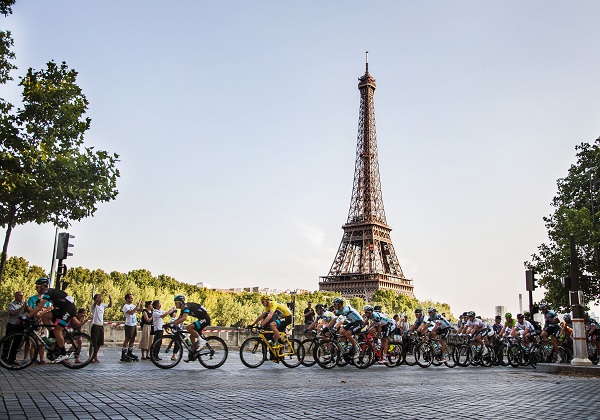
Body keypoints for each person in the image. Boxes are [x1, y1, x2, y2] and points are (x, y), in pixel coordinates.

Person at [28, 278, 77, 363]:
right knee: (45, 316)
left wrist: (27, 316)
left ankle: (63, 353)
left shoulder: (48, 292)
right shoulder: (49, 292)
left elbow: (39, 307)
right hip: (62, 309)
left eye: (38, 286)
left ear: (43, 286)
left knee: (58, 330)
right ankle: (52, 335)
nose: (36, 288)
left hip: (69, 309)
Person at [172, 295, 211, 362]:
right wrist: (169, 324)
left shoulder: (187, 306)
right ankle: (193, 354)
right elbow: (179, 319)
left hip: (205, 318)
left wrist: (174, 323)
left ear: (181, 302)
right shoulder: (182, 310)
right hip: (201, 319)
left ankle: (202, 341)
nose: (175, 304)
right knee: (191, 337)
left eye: (176, 302)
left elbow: (184, 318)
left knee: (189, 327)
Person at [3, 291, 26, 365]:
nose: (21, 297)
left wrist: (26, 307)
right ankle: (4, 358)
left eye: (22, 296)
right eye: (20, 295)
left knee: (17, 343)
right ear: (16, 296)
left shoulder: (23, 304)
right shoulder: (11, 304)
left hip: (20, 326)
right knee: (8, 342)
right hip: (12, 325)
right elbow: (12, 313)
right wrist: (21, 308)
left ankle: (12, 358)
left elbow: (28, 312)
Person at [90, 290, 112, 363]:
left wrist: (111, 299)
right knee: (93, 343)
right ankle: (91, 357)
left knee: (99, 343)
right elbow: (95, 302)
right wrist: (102, 293)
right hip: (95, 326)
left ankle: (95, 356)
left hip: (101, 326)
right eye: (99, 298)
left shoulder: (102, 305)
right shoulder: (94, 306)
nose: (101, 299)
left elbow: (110, 305)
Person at [121, 293, 142, 362]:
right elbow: (132, 312)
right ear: (127, 299)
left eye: (132, 298)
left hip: (134, 324)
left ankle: (130, 352)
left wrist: (141, 304)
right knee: (127, 339)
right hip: (129, 324)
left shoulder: (133, 305)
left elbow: (140, 310)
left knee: (133, 339)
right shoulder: (125, 306)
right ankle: (123, 353)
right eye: (130, 298)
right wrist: (137, 305)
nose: (132, 299)